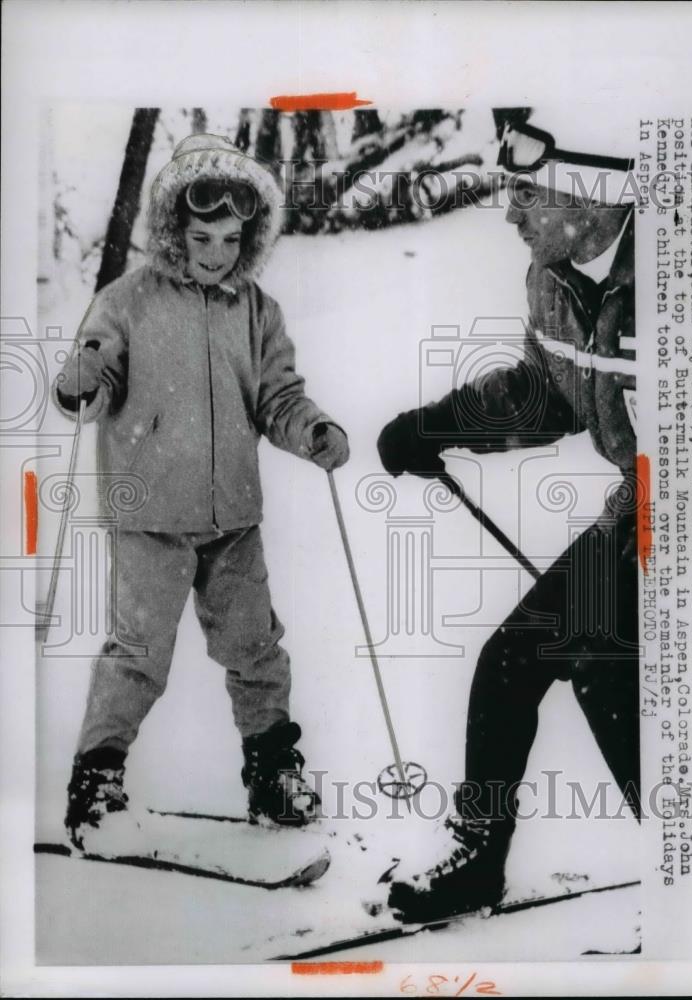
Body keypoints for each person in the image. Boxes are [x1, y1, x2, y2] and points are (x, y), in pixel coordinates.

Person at [376, 115, 640, 922]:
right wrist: (438, 427)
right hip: (636, 521)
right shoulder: (552, 279)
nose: (512, 213)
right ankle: (478, 855)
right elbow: (546, 395)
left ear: (594, 191)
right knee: (512, 662)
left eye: (528, 192)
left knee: (607, 670)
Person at [54, 133, 349, 849]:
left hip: (231, 516)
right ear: (170, 230)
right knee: (139, 652)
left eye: (230, 237)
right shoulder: (126, 300)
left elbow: (278, 395)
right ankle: (96, 781)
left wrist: (309, 429)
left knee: (256, 648)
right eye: (199, 236)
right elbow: (96, 374)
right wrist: (81, 382)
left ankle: (274, 772)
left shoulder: (257, 310)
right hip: (147, 508)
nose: (215, 251)